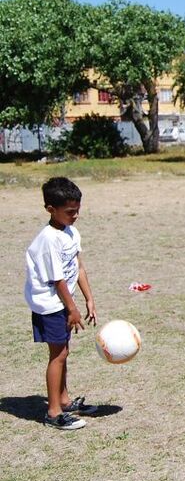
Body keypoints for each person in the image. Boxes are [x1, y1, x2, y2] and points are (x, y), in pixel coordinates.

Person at [25, 177, 99, 430]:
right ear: (50, 210)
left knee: (63, 350)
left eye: (78, 209)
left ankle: (65, 401)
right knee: (59, 355)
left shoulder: (70, 231)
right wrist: (72, 309)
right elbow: (57, 280)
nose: (76, 215)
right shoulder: (48, 240)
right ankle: (53, 412)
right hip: (50, 304)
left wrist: (89, 298)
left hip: (63, 302)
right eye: (70, 212)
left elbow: (78, 267)